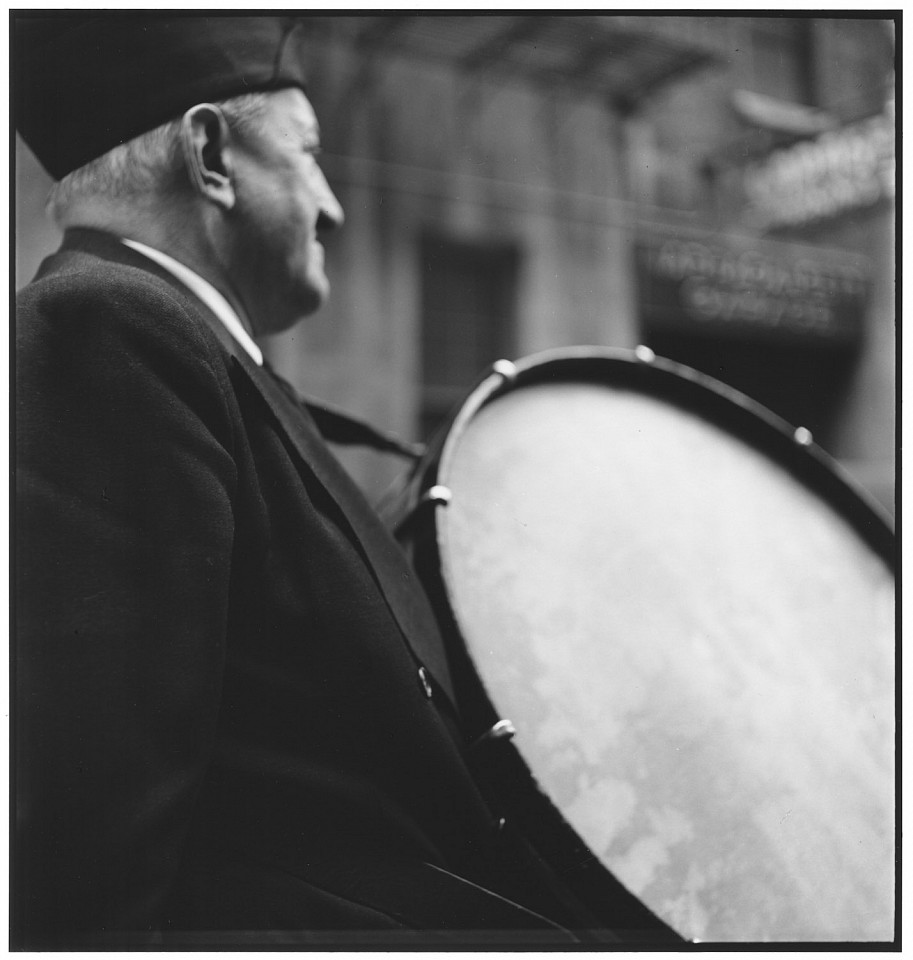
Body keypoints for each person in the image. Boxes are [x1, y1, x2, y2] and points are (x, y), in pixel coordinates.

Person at [14, 15, 675, 949]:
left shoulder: (192, 351)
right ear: (211, 155)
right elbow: (89, 857)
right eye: (310, 156)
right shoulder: (107, 328)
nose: (332, 205)